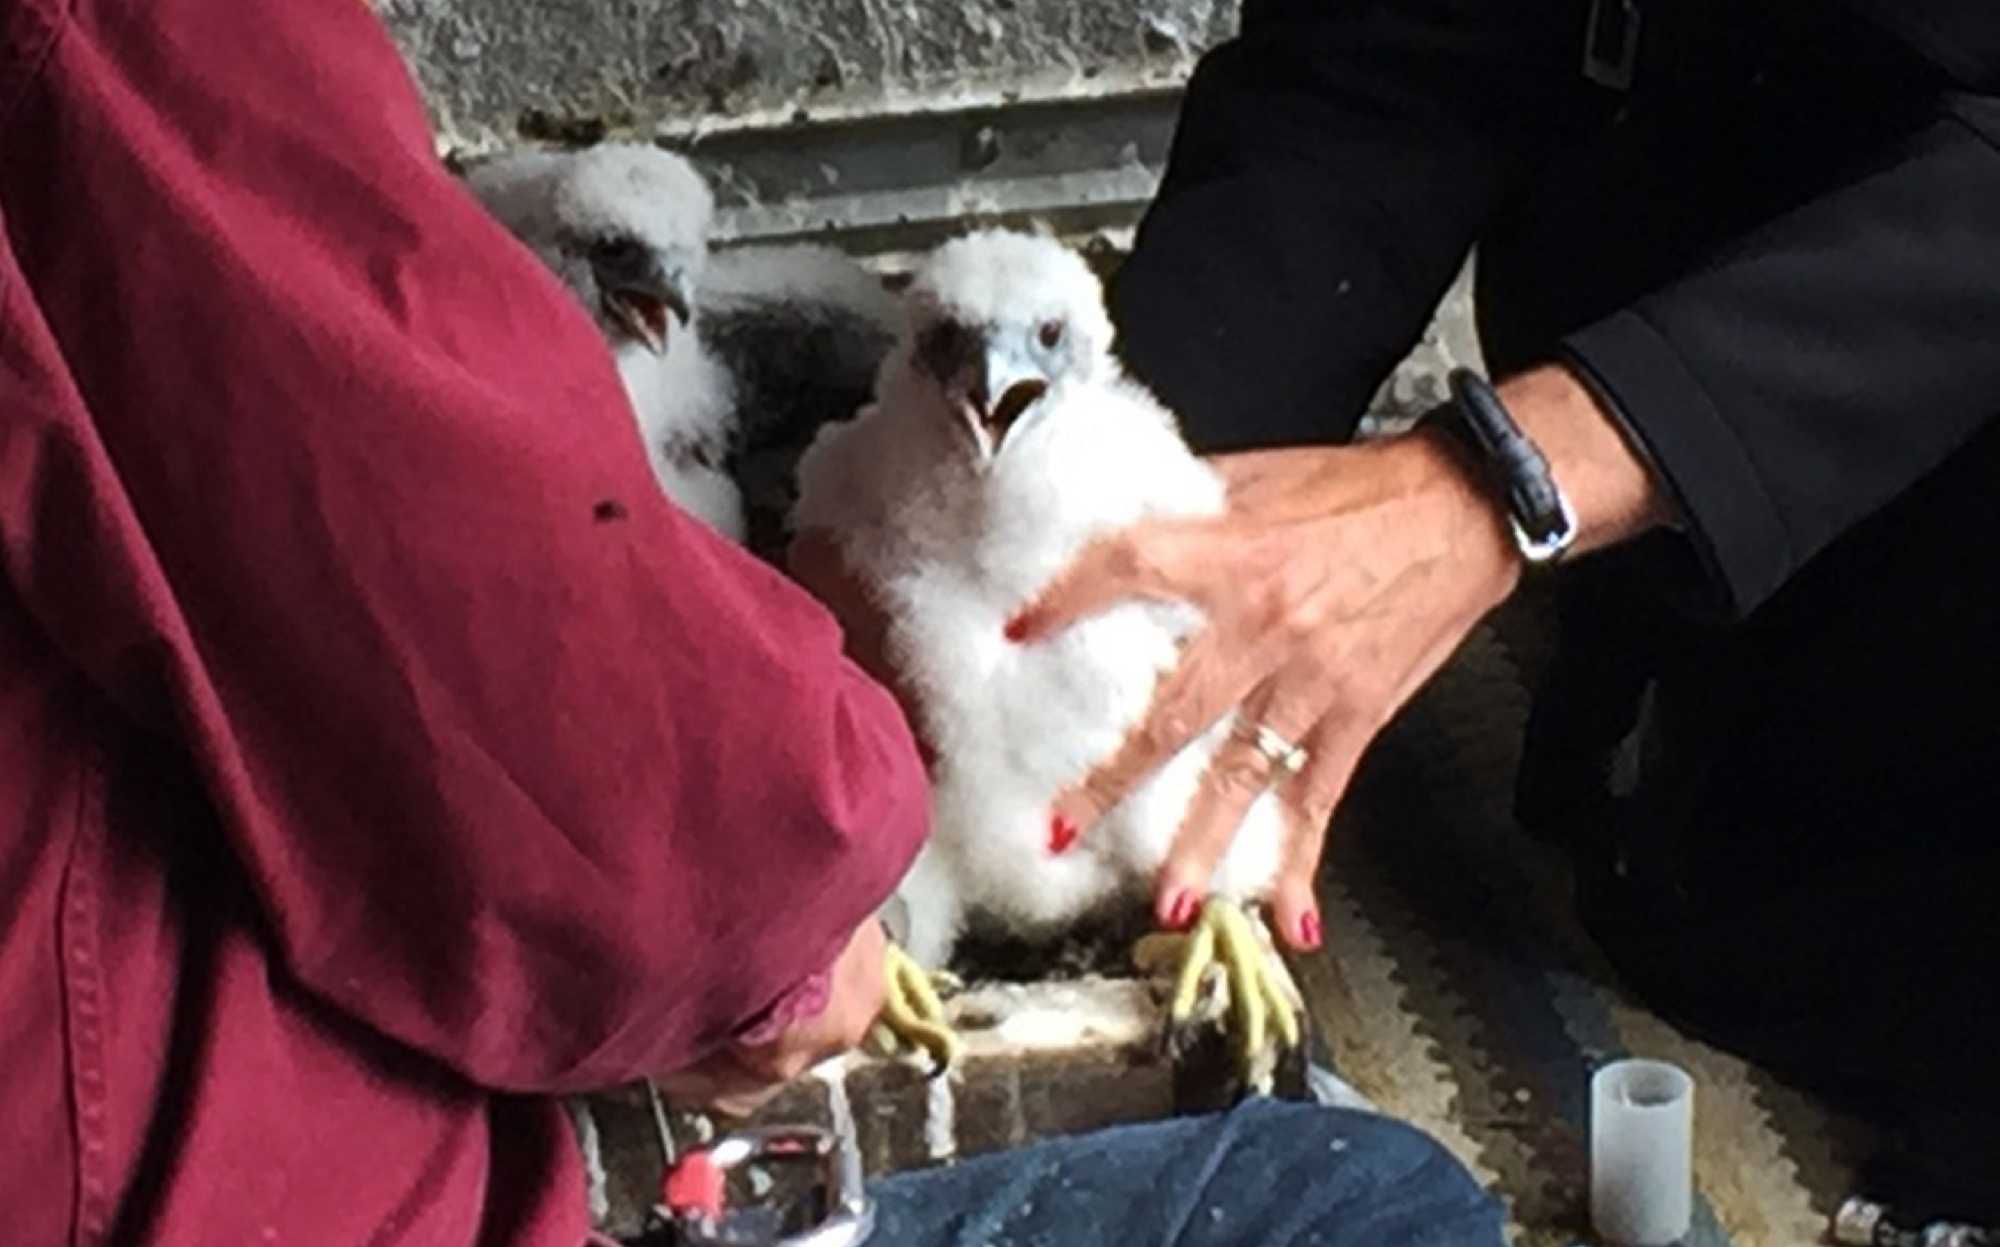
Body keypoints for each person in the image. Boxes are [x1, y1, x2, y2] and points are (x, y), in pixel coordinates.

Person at [0, 2, 1502, 1244]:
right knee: (1365, 1200)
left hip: (135, 1088)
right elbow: (465, 615)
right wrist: (781, 896)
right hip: (204, 1167)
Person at [982, 0, 1996, 1218]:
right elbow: (1395, 61)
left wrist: (1505, 475)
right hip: (1722, 587)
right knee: (1737, 911)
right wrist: (1112, 502)